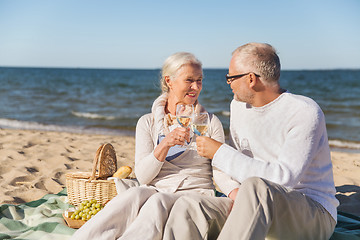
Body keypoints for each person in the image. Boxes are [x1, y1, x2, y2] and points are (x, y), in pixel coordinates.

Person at [71, 52, 235, 240]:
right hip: (157, 189)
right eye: (189, 80)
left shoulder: (209, 122)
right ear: (169, 81)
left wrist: (234, 193)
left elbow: (220, 171)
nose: (196, 87)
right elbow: (143, 176)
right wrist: (164, 144)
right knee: (131, 197)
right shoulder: (147, 123)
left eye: (200, 80)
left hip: (194, 193)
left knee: (157, 202)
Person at [196, 42, 339, 239]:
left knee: (256, 187)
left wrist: (219, 152)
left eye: (230, 77)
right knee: (190, 208)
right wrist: (233, 191)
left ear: (251, 79)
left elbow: (283, 179)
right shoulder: (238, 107)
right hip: (253, 200)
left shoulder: (304, 112)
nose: (228, 83)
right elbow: (233, 165)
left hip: (313, 211)